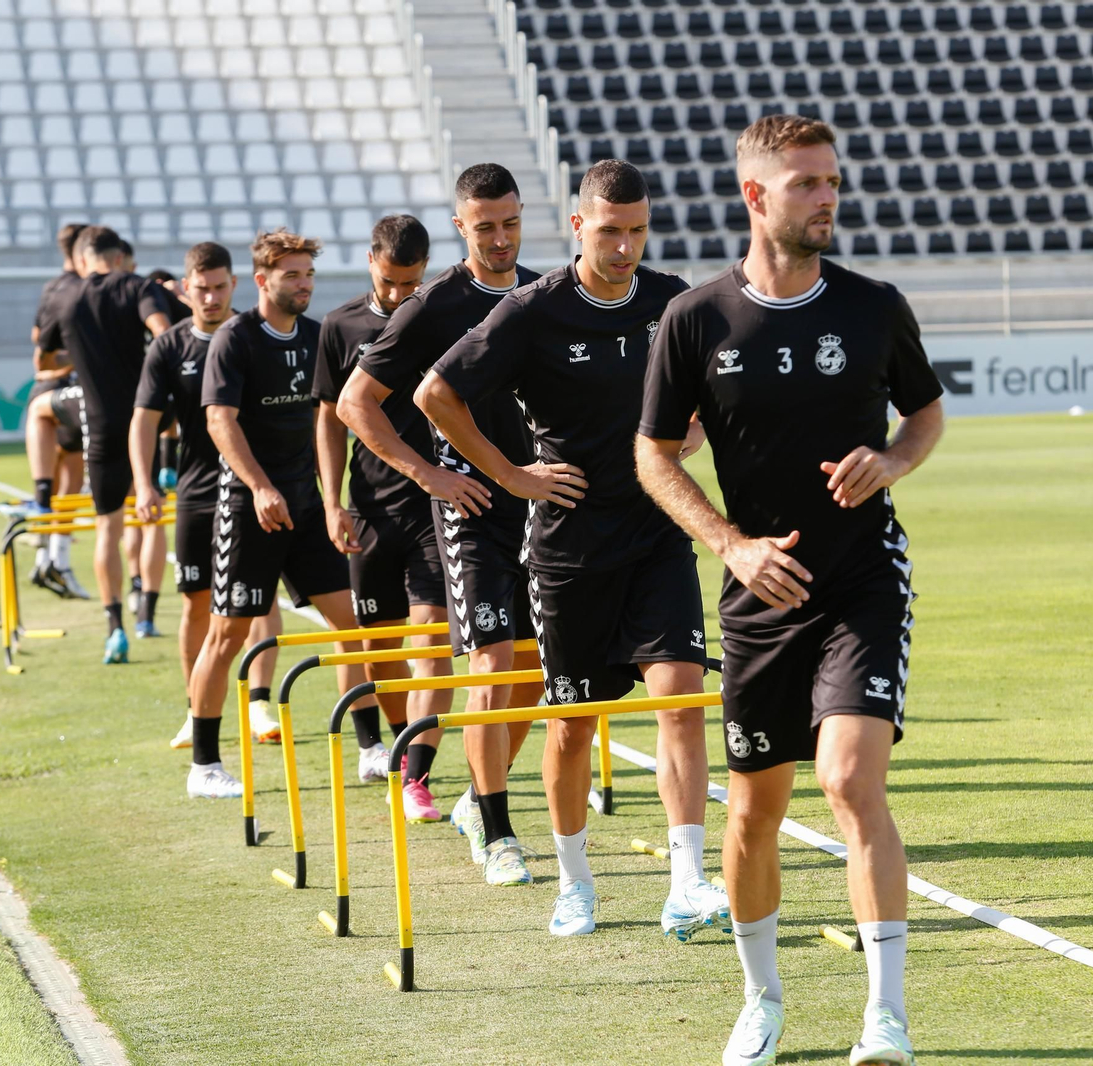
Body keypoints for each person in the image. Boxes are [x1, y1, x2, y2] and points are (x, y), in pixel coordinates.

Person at [634, 115, 945, 1066]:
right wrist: (729, 544)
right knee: (751, 814)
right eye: (807, 182)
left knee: (852, 780)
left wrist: (890, 460)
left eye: (832, 181)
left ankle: (885, 1017)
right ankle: (761, 1000)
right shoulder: (696, 319)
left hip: (861, 581)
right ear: (755, 197)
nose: (827, 197)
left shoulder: (874, 305)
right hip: (759, 598)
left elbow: (925, 413)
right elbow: (653, 453)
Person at [415, 159, 730, 940]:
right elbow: (435, 395)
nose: (624, 248)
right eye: (610, 231)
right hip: (566, 552)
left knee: (681, 700)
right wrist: (512, 475)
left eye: (637, 232)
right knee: (572, 724)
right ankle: (576, 884)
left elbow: (719, 385)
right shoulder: (531, 311)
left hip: (656, 538)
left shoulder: (673, 300)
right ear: (579, 225)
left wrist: (688, 435)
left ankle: (687, 881)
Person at [337, 164, 543, 885]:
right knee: (491, 663)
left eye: (510, 222)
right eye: (484, 225)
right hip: (469, 511)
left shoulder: (545, 293)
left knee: (539, 675)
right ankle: (497, 829)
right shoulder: (430, 307)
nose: (499, 237)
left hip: (538, 508)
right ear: (461, 226)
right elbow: (354, 404)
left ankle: (470, 797)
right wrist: (430, 475)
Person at [181, 228, 369, 800]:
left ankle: (369, 747)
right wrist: (260, 487)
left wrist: (332, 500)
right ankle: (205, 764)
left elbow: (330, 420)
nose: (304, 284)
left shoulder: (317, 336)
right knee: (227, 634)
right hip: (249, 509)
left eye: (309, 274)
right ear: (262, 281)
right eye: (292, 275)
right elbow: (221, 423)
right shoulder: (235, 338)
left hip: (309, 507)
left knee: (351, 626)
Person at [314, 215, 455, 811]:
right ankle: (392, 747)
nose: (401, 295)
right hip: (370, 512)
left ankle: (414, 774)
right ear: (372, 260)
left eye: (412, 283)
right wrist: (331, 502)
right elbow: (328, 417)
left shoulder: (440, 317)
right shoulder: (340, 325)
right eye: (392, 281)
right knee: (382, 651)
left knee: (431, 644)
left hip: (433, 506)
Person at [130, 242, 287, 752]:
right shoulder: (168, 347)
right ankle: (196, 707)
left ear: (235, 285)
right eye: (201, 288)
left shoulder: (252, 336)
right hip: (199, 493)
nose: (212, 297)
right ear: (184, 288)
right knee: (198, 604)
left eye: (220, 287)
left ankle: (259, 700)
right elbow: (144, 422)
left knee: (260, 601)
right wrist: (146, 481)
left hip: (253, 490)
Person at [35, 226, 173, 663]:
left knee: (108, 529)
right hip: (146, 418)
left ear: (83, 258)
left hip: (100, 425)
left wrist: (83, 356)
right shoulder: (137, 286)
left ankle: (115, 628)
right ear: (119, 257)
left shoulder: (66, 298)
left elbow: (43, 360)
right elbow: (164, 332)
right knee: (151, 517)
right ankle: (146, 611)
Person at [22, 222, 89, 597]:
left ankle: (50, 559)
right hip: (70, 389)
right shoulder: (80, 288)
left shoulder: (52, 287)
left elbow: (37, 339)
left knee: (71, 477)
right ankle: (56, 559)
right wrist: (70, 363)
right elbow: (42, 349)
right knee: (73, 478)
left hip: (51, 388)